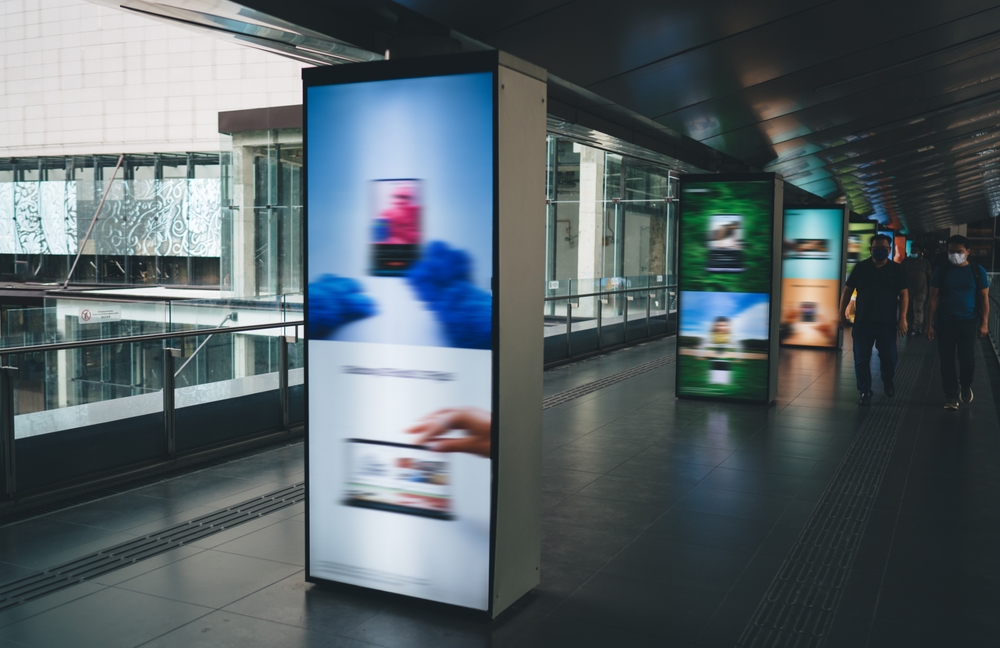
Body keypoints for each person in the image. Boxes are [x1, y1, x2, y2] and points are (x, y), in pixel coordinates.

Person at [839, 234, 909, 405]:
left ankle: (887, 379)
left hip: (887, 323)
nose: (879, 251)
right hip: (863, 322)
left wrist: (903, 319)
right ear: (870, 250)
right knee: (861, 358)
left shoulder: (896, 270)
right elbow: (847, 291)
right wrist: (841, 313)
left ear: (889, 250)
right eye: (876, 249)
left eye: (883, 249)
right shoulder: (861, 268)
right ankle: (864, 390)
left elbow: (904, 294)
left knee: (889, 357)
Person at [925, 235, 991, 410]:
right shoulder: (942, 271)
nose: (955, 254)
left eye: (959, 251)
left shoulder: (978, 271)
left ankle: (966, 384)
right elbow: (933, 298)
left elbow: (984, 299)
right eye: (951, 251)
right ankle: (951, 395)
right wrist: (928, 324)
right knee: (946, 361)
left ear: (967, 252)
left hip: (968, 322)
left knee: (967, 359)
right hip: (945, 322)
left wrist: (984, 323)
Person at [902, 245, 932, 336]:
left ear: (919, 251)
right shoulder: (905, 261)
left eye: (916, 250)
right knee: (908, 309)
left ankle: (917, 327)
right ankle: (909, 327)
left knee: (918, 308)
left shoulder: (925, 262)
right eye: (912, 250)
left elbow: (929, 275)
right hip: (908, 290)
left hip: (921, 289)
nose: (914, 251)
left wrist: (930, 287)